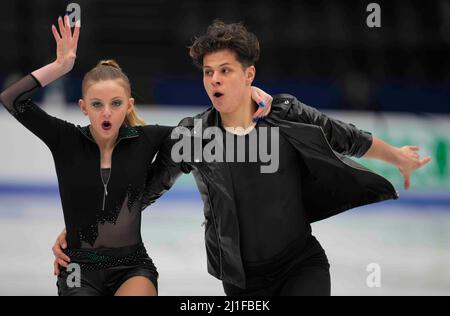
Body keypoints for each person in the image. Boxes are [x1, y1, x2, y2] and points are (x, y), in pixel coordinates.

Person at [53, 20, 431, 296]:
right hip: (241, 279)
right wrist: (85, 230)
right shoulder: (194, 135)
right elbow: (144, 189)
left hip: (301, 263)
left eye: (225, 71)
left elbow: (345, 136)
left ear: (248, 74)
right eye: (208, 72)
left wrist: (396, 156)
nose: (214, 79)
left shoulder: (285, 113)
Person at [0, 16, 170, 296]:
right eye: (96, 104)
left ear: (129, 105)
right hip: (78, 266)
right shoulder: (65, 139)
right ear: (83, 107)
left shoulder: (146, 139)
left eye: (116, 104)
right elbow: (12, 99)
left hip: (132, 266)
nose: (106, 113)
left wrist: (251, 96)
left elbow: (203, 129)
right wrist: (60, 67)